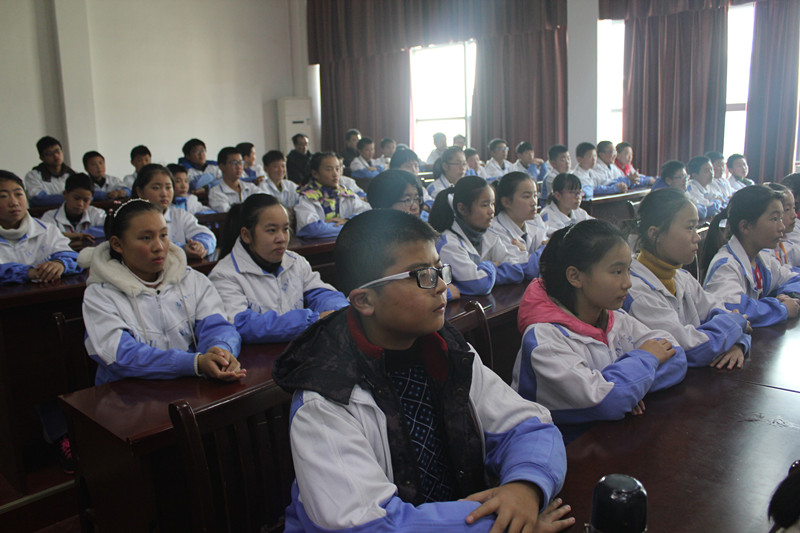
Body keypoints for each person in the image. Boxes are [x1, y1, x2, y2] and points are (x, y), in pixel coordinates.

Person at [273, 208, 571, 533]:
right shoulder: (326, 395)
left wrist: (525, 488)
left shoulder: (448, 350)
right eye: (422, 275)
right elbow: (367, 524)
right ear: (365, 301)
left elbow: (530, 427)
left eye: (440, 270)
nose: (441, 286)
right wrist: (502, 523)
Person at [512, 219, 687, 426]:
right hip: (566, 442)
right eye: (617, 272)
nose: (628, 283)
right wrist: (644, 361)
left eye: (628, 270)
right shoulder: (545, 340)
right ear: (575, 277)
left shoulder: (615, 318)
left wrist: (629, 389)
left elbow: (676, 355)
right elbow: (607, 401)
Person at [78, 199, 243, 385]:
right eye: (146, 238)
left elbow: (218, 326)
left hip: (189, 386)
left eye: (163, 235)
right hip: (128, 394)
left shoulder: (190, 279)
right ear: (117, 244)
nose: (159, 247)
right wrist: (193, 363)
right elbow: (120, 355)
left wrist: (220, 352)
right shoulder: (101, 294)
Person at [624, 188, 751, 369]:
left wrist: (738, 342)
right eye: (690, 228)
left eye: (696, 228)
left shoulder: (682, 277)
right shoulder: (635, 291)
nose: (697, 237)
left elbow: (723, 313)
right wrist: (734, 327)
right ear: (655, 234)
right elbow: (688, 348)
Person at [209, 194, 347, 343]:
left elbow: (320, 293)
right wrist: (310, 321)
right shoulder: (224, 275)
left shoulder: (295, 261)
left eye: (285, 229)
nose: (281, 238)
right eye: (272, 230)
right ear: (246, 235)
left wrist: (339, 311)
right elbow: (241, 324)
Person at [703, 186, 800, 327]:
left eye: (780, 218)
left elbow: (794, 278)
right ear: (745, 227)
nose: (782, 227)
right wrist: (781, 308)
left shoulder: (762, 260)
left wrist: (788, 296)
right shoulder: (726, 266)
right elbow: (735, 309)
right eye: (774, 219)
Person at [429, 176, 538, 295]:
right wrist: (491, 265)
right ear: (462, 209)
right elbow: (479, 285)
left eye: (492, 204)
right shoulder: (449, 244)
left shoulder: (490, 235)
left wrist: (483, 272)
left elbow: (517, 272)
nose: (491, 211)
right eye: (485, 205)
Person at [0, 170, 80, 284]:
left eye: (18, 194)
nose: (14, 202)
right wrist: (28, 273)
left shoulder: (46, 229)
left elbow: (72, 257)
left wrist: (60, 264)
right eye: (3, 196)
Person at [133, 164, 216, 259]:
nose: (164, 193)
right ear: (140, 192)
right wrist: (182, 249)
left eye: (168, 187)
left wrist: (199, 246)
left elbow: (207, 235)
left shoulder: (179, 215)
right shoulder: (132, 220)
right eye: (156, 188)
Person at [295, 152, 371, 238]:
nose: (335, 174)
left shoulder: (345, 193)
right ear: (315, 173)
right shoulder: (307, 197)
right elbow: (311, 229)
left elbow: (368, 214)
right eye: (329, 169)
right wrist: (351, 225)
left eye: (337, 169)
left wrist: (348, 220)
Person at [489, 172, 547, 267]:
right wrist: (542, 250)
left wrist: (528, 254)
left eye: (535, 196)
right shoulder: (495, 230)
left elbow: (549, 257)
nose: (534, 202)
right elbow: (523, 268)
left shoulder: (536, 220)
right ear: (506, 202)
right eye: (527, 196)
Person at [40, 173, 107, 247]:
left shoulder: (98, 213)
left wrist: (79, 239)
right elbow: (45, 239)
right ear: (65, 194)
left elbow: (109, 231)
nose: (80, 204)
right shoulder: (49, 217)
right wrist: (73, 236)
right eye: (76, 198)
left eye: (86, 200)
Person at [24, 136, 76, 206]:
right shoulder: (33, 176)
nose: (56, 156)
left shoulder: (73, 175)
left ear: (62, 152)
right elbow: (37, 198)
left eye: (57, 151)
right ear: (41, 157)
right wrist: (71, 198)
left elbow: (85, 195)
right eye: (49, 153)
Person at [540, 173, 592, 238]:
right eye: (572, 192)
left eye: (579, 192)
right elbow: (559, 237)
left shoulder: (579, 212)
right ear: (558, 195)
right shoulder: (548, 214)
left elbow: (595, 226)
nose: (578, 197)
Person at [208, 147, 258, 213]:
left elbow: (262, 207)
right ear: (222, 166)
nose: (239, 166)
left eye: (240, 162)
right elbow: (228, 214)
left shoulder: (251, 187)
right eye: (234, 163)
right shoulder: (216, 192)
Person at [765, 182, 800, 267]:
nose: (794, 215)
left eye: (794, 208)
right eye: (787, 209)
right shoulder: (764, 251)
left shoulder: (783, 242)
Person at [686, 156, 724, 220]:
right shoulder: (691, 187)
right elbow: (707, 208)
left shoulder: (710, 184)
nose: (711, 173)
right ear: (695, 175)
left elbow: (720, 198)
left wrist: (715, 202)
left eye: (711, 169)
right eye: (706, 171)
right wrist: (717, 201)